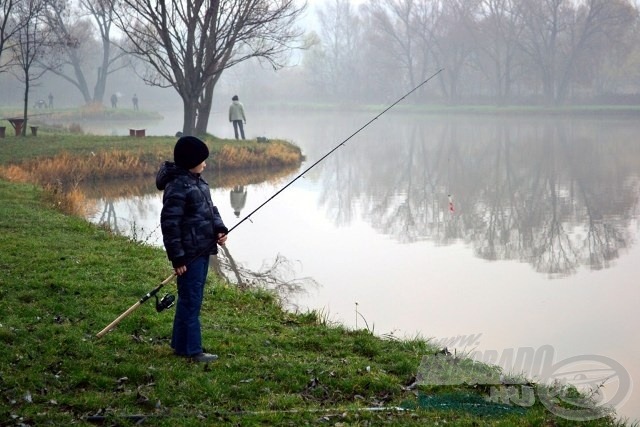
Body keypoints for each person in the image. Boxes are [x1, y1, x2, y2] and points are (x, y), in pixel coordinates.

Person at [155, 136, 228, 363]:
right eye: (201, 160)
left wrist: (219, 229)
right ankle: (193, 351)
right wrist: (177, 258)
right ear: (189, 162)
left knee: (189, 297)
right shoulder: (178, 186)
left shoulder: (198, 181)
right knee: (191, 300)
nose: (205, 164)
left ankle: (179, 344)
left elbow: (210, 209)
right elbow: (170, 224)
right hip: (189, 254)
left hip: (202, 249)